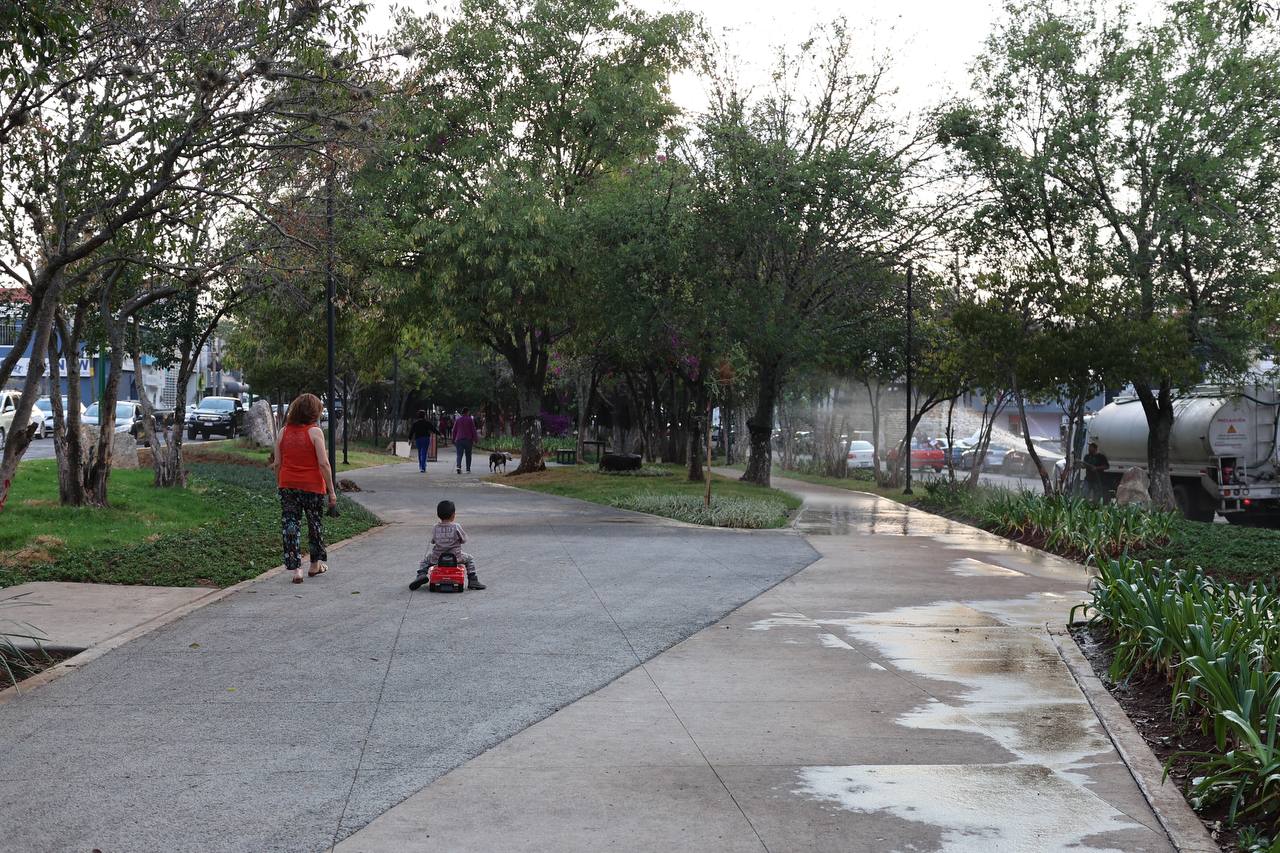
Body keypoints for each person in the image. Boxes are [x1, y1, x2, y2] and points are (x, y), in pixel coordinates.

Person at [270, 393, 338, 584]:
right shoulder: (315, 432)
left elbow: (277, 463)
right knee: (314, 524)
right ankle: (315, 565)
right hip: (312, 486)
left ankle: (296, 569)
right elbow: (324, 464)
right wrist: (332, 491)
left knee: (290, 525)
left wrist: (279, 482)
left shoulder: (283, 432)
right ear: (313, 412)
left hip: (288, 485)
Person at [409, 499, 486, 591]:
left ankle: (421, 575)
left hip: (437, 558)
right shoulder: (456, 526)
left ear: (438, 515)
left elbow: (433, 541)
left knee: (425, 561)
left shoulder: (435, 527)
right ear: (453, 515)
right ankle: (473, 580)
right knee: (470, 559)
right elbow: (464, 540)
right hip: (456, 558)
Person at [452, 406, 478, 474]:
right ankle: (468, 469)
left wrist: (453, 439)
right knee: (468, 455)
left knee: (459, 454)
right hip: (468, 440)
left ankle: (458, 467)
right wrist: (475, 439)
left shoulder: (458, 420)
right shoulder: (470, 420)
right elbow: (473, 430)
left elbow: (454, 430)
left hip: (459, 439)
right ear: (467, 412)